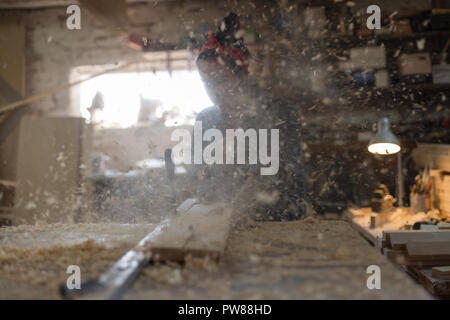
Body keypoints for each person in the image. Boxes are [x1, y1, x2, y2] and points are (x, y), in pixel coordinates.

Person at [190, 12, 306, 221]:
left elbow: (267, 177)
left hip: (278, 224)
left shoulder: (279, 112)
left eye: (221, 80)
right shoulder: (205, 120)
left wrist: (230, 216)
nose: (212, 92)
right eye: (206, 82)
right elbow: (202, 181)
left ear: (243, 76)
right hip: (223, 226)